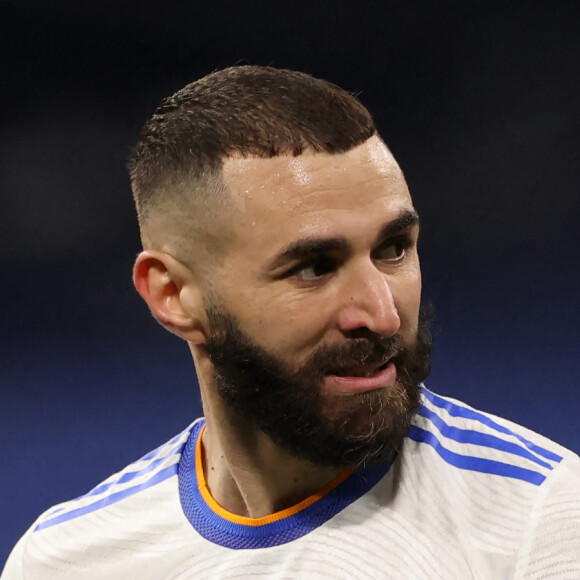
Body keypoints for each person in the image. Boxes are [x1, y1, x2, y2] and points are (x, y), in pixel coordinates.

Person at [3, 66, 579, 579]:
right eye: (313, 267)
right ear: (173, 294)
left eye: (394, 248)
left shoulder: (543, 525)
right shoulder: (67, 561)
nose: (381, 313)